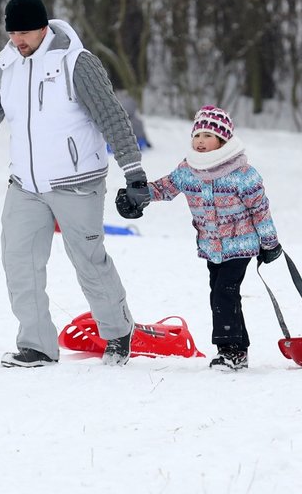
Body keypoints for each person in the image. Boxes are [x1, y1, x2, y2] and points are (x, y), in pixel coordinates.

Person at [0, 0, 149, 368]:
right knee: (19, 262)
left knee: (88, 261)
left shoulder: (76, 63)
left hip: (77, 182)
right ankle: (37, 346)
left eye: (26, 32)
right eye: (13, 32)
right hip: (26, 185)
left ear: (44, 27)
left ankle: (117, 333)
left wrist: (134, 173)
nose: (18, 40)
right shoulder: (4, 66)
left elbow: (112, 117)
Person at [117, 105, 280, 371]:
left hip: (240, 246)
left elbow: (260, 210)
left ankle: (229, 351)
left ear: (222, 140)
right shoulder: (189, 169)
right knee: (223, 295)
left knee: (224, 294)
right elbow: (165, 188)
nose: (201, 141)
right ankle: (238, 350)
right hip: (211, 246)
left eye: (208, 136)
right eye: (197, 136)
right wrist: (137, 195)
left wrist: (269, 244)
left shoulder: (242, 173)